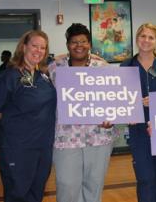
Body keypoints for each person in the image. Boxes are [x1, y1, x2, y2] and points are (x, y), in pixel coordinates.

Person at [0, 30, 56, 202]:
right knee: (18, 195)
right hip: (18, 149)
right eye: (34, 46)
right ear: (23, 47)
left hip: (42, 148)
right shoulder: (10, 76)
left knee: (36, 194)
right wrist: (16, 118)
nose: (38, 51)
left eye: (42, 48)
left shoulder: (43, 77)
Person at [48, 23, 116, 202]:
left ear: (90, 44)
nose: (79, 45)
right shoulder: (55, 69)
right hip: (66, 139)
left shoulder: (103, 68)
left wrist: (113, 118)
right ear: (67, 45)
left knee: (94, 187)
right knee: (67, 186)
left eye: (83, 41)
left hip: (99, 137)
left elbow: (116, 100)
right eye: (74, 42)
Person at [120, 23, 156, 202]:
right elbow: (119, 96)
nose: (146, 40)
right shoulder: (127, 65)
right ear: (137, 39)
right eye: (143, 36)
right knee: (145, 178)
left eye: (151, 37)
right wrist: (130, 108)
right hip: (138, 130)